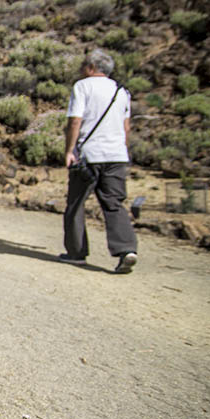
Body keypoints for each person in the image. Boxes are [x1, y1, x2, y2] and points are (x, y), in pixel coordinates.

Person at [60, 48, 138, 273]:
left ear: (91, 67)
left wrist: (69, 150)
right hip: (116, 155)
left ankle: (76, 252)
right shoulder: (121, 91)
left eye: (84, 65)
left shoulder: (83, 86)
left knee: (76, 204)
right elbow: (126, 127)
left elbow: (75, 121)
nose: (82, 68)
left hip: (89, 155)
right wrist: (122, 150)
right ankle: (126, 249)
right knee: (114, 203)